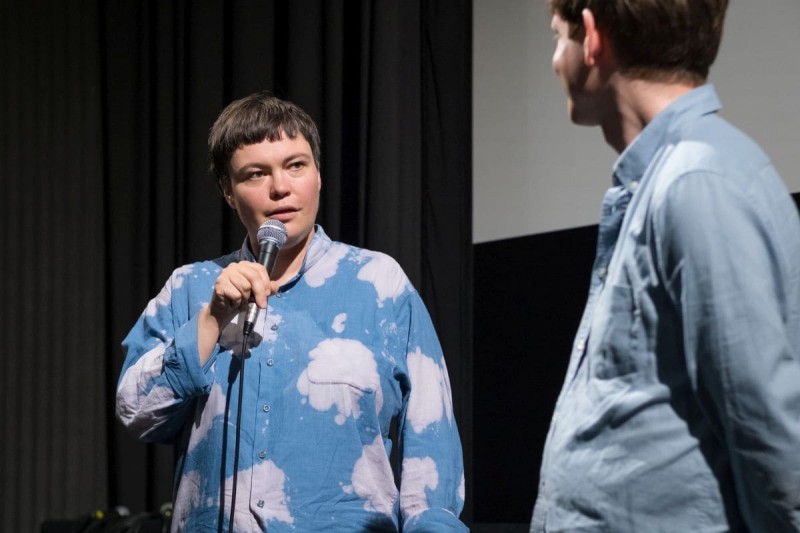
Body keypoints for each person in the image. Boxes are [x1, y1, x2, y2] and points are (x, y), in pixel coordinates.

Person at [116, 92, 467, 532]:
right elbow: (136, 412)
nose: (280, 187)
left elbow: (429, 440)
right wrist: (210, 321)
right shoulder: (191, 288)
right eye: (256, 174)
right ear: (228, 191)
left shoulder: (380, 282)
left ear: (318, 176)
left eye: (296, 166)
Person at [531, 0, 800, 531]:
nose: (555, 59)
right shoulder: (670, 178)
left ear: (591, 37)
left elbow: (768, 435)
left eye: (558, 37)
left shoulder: (697, 181)